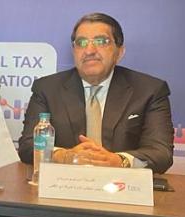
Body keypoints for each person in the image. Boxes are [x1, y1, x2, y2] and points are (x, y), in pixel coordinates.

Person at [18, 12, 174, 173]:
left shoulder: (149, 91)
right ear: (74, 51)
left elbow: (161, 154)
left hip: (122, 184)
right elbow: (27, 147)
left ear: (119, 52)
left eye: (101, 41)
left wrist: (119, 161)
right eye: (81, 42)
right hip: (65, 182)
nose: (89, 50)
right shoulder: (47, 89)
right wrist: (63, 156)